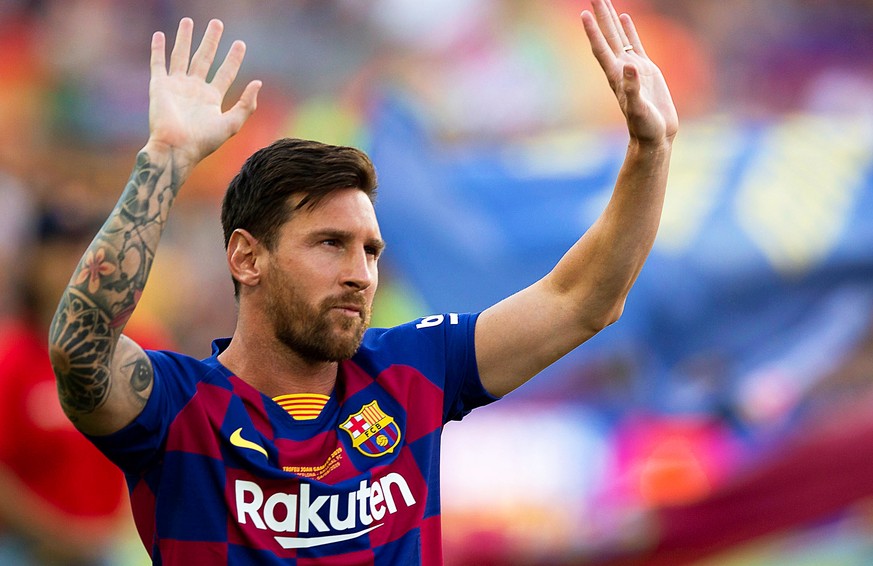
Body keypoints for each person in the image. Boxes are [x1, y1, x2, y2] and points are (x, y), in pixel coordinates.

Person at [48, 0, 677, 563]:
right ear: (246, 258)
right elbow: (79, 349)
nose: (360, 274)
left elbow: (581, 299)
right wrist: (165, 158)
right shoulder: (177, 409)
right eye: (330, 245)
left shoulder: (413, 371)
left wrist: (652, 152)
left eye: (371, 251)